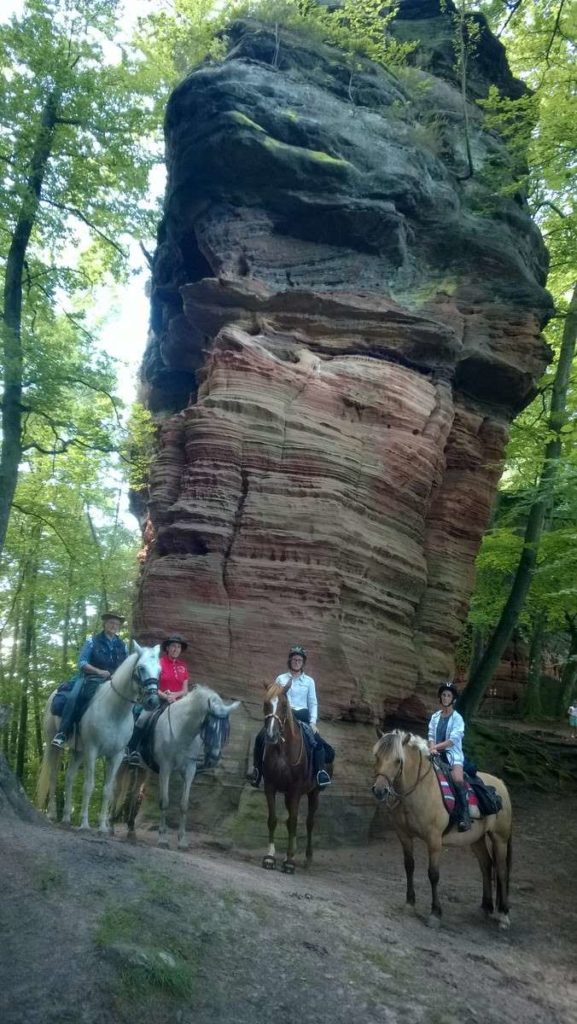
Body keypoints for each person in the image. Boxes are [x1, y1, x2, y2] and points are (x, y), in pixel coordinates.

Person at [247, 644, 334, 789]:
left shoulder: (309, 681)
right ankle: (257, 771)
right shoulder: (281, 678)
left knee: (317, 742)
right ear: (290, 661)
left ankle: (320, 773)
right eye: (294, 659)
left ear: (303, 662)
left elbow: (313, 702)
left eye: (299, 660)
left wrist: (313, 722)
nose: (297, 662)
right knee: (261, 737)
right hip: (282, 716)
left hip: (301, 716)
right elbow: (274, 697)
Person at [51, 611, 129, 748]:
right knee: (74, 697)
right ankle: (63, 732)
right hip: (90, 678)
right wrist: (99, 671)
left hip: (115, 681)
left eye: (117, 624)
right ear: (104, 624)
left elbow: (127, 666)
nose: (114, 626)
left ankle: (129, 744)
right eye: (111, 623)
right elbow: (82, 663)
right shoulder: (92, 641)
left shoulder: (123, 645)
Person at [125, 634, 189, 765]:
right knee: (142, 719)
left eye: (178, 647)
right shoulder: (158, 663)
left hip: (178, 703)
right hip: (158, 700)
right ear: (167, 648)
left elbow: (185, 690)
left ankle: (188, 755)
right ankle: (131, 750)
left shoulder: (183, 666)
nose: (176, 649)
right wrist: (165, 696)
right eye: (173, 646)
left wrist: (174, 695)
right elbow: (152, 684)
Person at [428, 682, 471, 832]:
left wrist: (435, 747)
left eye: (448, 695)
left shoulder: (458, 718)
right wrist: (432, 747)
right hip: (435, 753)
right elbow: (431, 735)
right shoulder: (435, 717)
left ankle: (464, 815)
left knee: (457, 779)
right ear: (440, 697)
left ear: (453, 699)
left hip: (452, 756)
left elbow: (452, 740)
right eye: (444, 695)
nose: (445, 697)